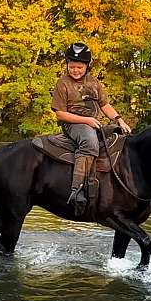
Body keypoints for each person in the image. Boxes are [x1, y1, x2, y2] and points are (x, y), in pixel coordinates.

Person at [51, 42, 132, 216]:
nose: (75, 70)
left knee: (120, 136)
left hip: (93, 122)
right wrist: (86, 120)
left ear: (87, 66)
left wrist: (119, 120)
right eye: (71, 67)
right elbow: (60, 114)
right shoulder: (62, 83)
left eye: (79, 67)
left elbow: (105, 104)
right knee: (90, 142)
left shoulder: (94, 83)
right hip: (73, 124)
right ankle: (77, 189)